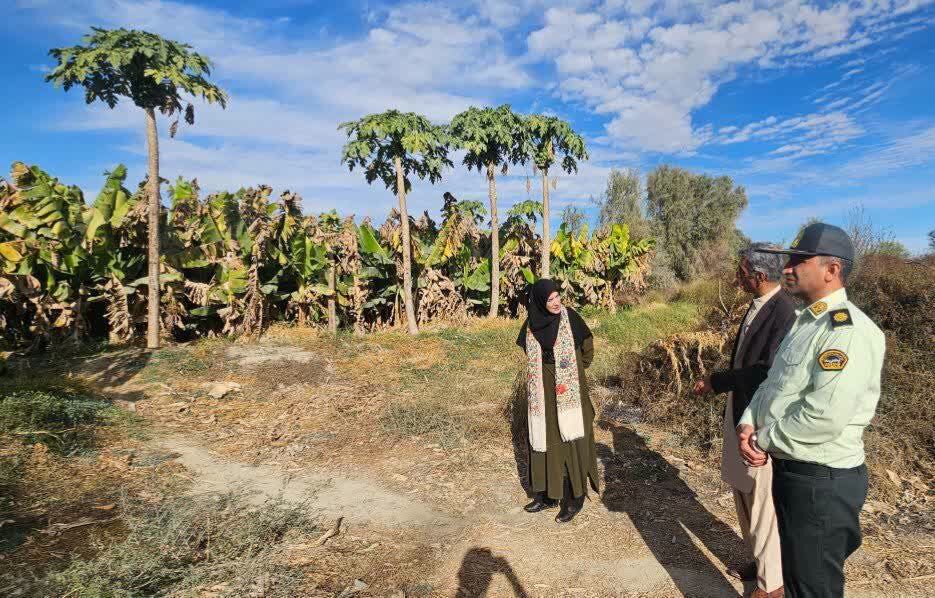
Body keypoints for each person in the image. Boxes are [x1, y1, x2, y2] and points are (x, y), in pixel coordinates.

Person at [737, 223, 885, 598]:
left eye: (801, 260)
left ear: (832, 270)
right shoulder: (806, 321)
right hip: (795, 472)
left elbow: (824, 416)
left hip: (821, 481)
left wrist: (763, 439)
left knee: (813, 587)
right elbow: (773, 383)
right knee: (799, 578)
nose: (789, 268)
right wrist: (749, 420)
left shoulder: (847, 331)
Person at [694, 242, 796, 598]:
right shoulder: (760, 305)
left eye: (741, 271)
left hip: (761, 420)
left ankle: (772, 586)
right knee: (744, 492)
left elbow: (765, 373)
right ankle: (760, 562)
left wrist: (716, 381)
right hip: (740, 412)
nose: (737, 276)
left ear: (759, 275)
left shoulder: (784, 312)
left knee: (763, 502)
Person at [516, 279, 599, 523]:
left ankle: (575, 498)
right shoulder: (531, 324)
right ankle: (547, 496)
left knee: (571, 440)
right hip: (541, 390)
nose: (555, 303)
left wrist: (573, 373)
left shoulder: (570, 318)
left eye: (557, 297)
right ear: (539, 302)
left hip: (570, 386)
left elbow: (587, 349)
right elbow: (528, 351)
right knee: (545, 440)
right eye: (549, 299)